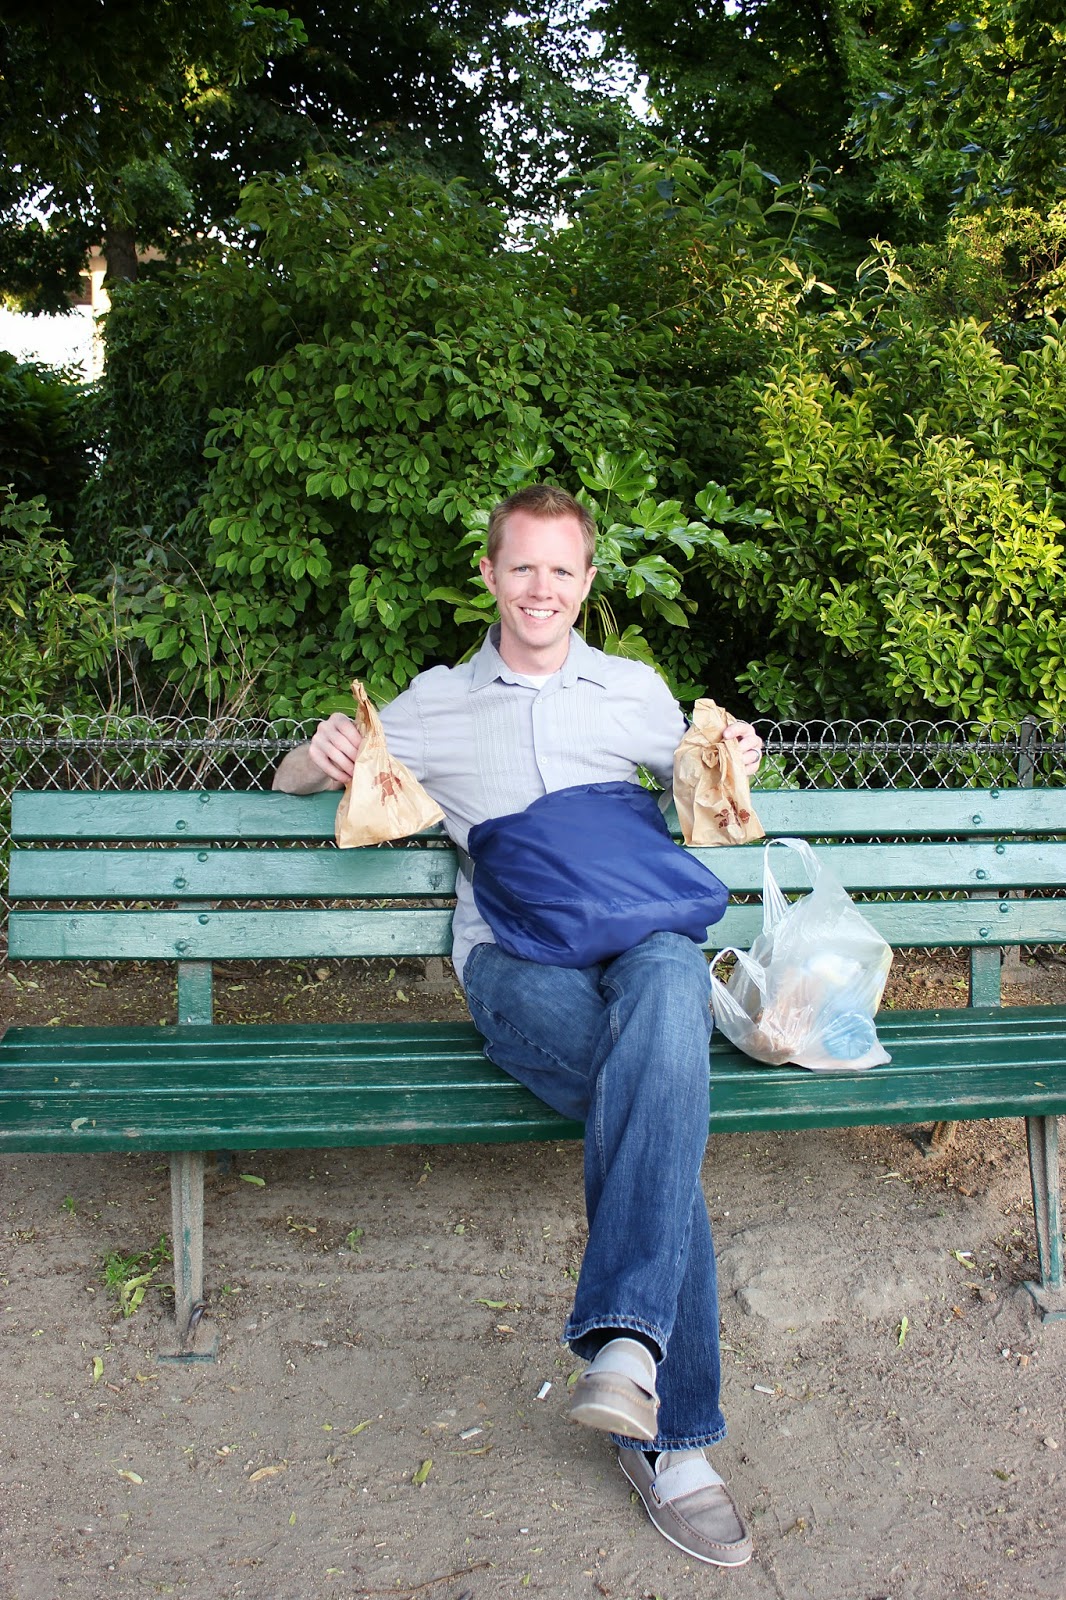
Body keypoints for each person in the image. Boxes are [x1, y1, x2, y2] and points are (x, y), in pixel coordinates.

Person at [273, 484, 763, 1567]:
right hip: (514, 959)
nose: (541, 588)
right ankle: (670, 1428)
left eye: (562, 569)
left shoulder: (633, 690)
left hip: (639, 936)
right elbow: (294, 777)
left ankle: (635, 1366)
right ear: (489, 576)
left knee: (672, 979)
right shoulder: (436, 703)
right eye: (522, 567)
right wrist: (321, 754)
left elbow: (698, 790)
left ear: (587, 583)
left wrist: (735, 756)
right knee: (659, 1111)